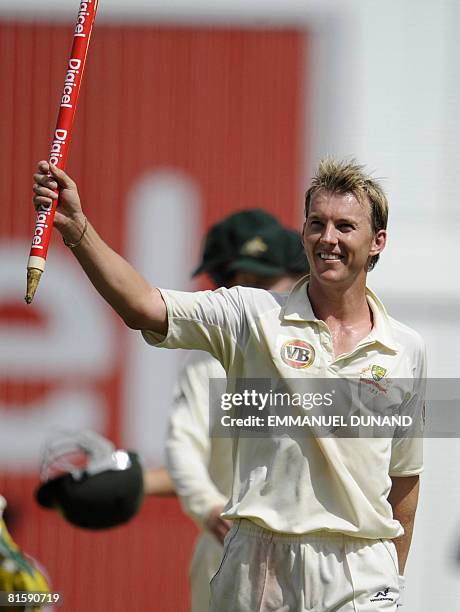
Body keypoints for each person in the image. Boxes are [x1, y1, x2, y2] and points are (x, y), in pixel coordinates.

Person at [32, 156, 425, 611]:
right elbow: (142, 306)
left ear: (378, 242)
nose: (328, 239)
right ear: (302, 234)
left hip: (360, 569)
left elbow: (405, 480)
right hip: (261, 564)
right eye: (316, 224)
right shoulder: (250, 314)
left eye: (344, 226)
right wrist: (78, 230)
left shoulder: (408, 348)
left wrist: (392, 580)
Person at [162, 213, 308, 612]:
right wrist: (209, 506)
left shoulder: (334, 348)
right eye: (228, 283)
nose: (243, 297)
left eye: (261, 283)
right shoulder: (209, 356)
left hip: (313, 563)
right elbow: (182, 444)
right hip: (229, 555)